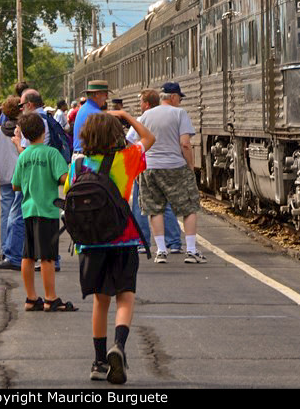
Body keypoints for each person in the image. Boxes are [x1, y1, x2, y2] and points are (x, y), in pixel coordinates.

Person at [68, 110, 154, 384]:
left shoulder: (78, 164)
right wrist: (127, 117)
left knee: (100, 301)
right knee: (125, 297)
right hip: (123, 238)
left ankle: (98, 361)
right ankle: (119, 345)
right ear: (116, 135)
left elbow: (70, 192)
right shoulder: (127, 158)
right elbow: (149, 138)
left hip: (90, 242)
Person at [137, 82, 206, 264]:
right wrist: (190, 166)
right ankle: (191, 251)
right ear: (174, 97)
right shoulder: (179, 114)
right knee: (189, 207)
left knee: (154, 208)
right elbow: (185, 143)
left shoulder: (146, 115)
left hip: (150, 168)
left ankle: (161, 251)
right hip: (175, 167)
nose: (180, 102)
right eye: (180, 98)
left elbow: (133, 141)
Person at [11, 111, 74, 312]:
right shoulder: (51, 153)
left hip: (28, 209)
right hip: (47, 209)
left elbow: (15, 185)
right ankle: (50, 297)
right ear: (44, 130)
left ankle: (31, 297)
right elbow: (65, 179)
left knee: (28, 255)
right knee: (47, 256)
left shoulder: (24, 155)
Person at [126, 89, 181, 253]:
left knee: (142, 204)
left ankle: (143, 241)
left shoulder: (143, 119)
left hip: (147, 166)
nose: (140, 105)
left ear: (147, 103)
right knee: (167, 204)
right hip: (168, 166)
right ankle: (174, 242)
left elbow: (130, 141)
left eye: (141, 102)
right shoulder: (172, 117)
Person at [0, 97, 24, 271]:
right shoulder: (22, 130)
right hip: (19, 177)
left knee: (6, 214)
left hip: (3, 176)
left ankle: (6, 249)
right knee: (19, 215)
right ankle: (18, 248)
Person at [73, 81, 109, 155]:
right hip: (86, 158)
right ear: (97, 94)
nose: (107, 97)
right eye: (105, 94)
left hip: (79, 156)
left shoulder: (84, 108)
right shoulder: (96, 113)